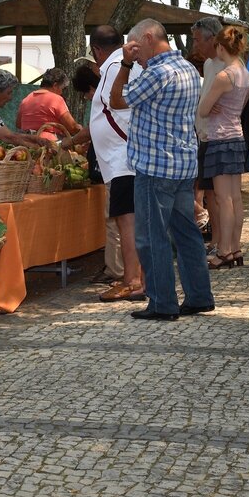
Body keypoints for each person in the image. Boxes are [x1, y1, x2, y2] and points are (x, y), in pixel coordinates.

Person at [109, 18, 215, 321]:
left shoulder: (157, 73)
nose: (135, 54)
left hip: (155, 167)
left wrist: (125, 65)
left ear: (147, 38)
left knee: (151, 237)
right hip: (183, 165)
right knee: (186, 234)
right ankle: (199, 296)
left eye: (136, 48)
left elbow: (117, 100)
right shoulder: (188, 69)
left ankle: (162, 302)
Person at [66, 25, 145, 303]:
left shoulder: (114, 68)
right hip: (123, 157)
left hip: (122, 159)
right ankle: (136, 277)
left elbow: (115, 107)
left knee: (127, 222)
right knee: (130, 221)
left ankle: (131, 280)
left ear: (97, 50)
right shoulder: (122, 66)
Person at [198, 26, 249, 269]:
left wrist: (211, 104)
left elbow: (203, 109)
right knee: (235, 197)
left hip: (219, 138)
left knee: (223, 198)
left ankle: (225, 250)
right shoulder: (243, 72)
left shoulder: (224, 76)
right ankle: (235, 247)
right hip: (237, 136)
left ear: (220, 47)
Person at [190, 17, 225, 245]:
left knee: (222, 195)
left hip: (220, 137)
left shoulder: (226, 64)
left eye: (197, 40)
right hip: (204, 136)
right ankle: (216, 240)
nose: (195, 45)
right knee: (210, 193)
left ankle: (224, 243)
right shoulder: (209, 65)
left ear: (211, 39)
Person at [15, 67, 81, 140]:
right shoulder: (56, 99)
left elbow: (18, 124)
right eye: (62, 88)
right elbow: (72, 127)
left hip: (27, 142)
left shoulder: (26, 99)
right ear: (55, 85)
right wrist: (80, 130)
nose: (61, 92)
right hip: (49, 143)